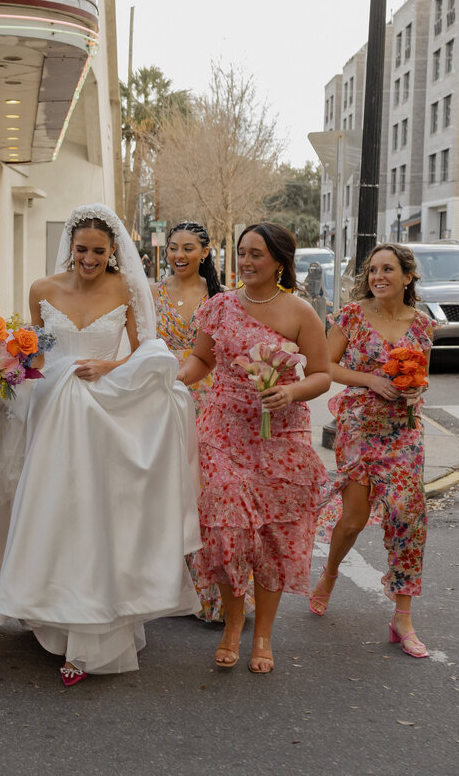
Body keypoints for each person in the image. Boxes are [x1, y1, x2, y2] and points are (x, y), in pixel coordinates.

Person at [0, 203, 200, 686]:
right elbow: (34, 348)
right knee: (52, 510)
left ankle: (94, 634)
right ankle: (50, 613)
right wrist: (0, 367)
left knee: (94, 515)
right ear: (69, 247)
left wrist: (107, 367)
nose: (88, 259)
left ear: (113, 250)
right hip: (47, 408)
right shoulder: (43, 289)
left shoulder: (126, 289)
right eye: (81, 250)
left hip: (99, 409)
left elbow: (147, 350)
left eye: (98, 251)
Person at [177, 222, 330, 674]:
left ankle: (262, 633)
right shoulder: (220, 306)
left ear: (280, 260)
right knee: (226, 526)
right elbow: (202, 359)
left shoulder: (301, 313)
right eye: (241, 253)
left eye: (256, 254)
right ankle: (232, 620)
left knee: (272, 536)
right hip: (222, 429)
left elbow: (321, 373)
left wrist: (291, 393)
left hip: (280, 435)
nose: (245, 261)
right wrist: (174, 377)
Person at [311, 243, 437, 658]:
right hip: (360, 429)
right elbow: (325, 367)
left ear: (407, 277)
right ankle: (329, 574)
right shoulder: (350, 316)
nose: (378, 277)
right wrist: (370, 380)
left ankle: (402, 617)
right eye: (372, 271)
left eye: (388, 270)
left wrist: (415, 387)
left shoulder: (422, 325)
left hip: (403, 429)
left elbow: (421, 375)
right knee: (352, 520)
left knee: (407, 514)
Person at [152, 220, 254, 624]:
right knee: (164, 490)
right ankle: (163, 588)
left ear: (205, 252)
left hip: (210, 400)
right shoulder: (151, 293)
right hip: (158, 395)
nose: (179, 255)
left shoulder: (222, 298)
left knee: (204, 494)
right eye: (174, 247)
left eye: (189, 248)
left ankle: (211, 593)